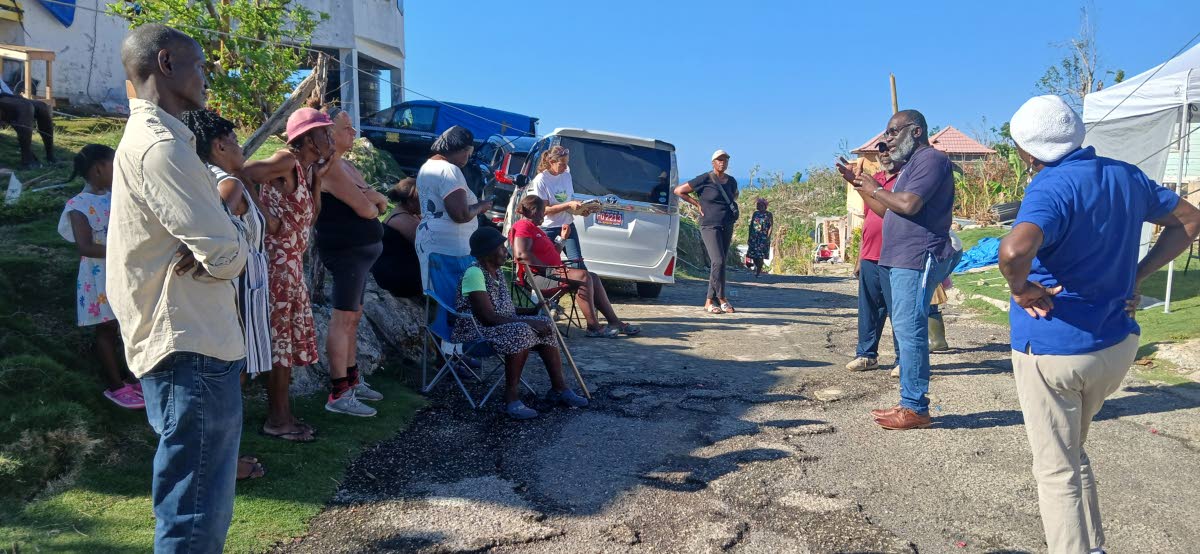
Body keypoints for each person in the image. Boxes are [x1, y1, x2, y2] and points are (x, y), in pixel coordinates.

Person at [999, 95, 1200, 554]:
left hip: (1055, 349)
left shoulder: (1049, 187)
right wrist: (1138, 274)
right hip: (1115, 345)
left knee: (1055, 469)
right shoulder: (1125, 174)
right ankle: (1092, 547)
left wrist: (1019, 288)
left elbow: (1014, 251)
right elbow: (1189, 220)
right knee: (1072, 452)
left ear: (1027, 152)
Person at [107, 24, 249, 551]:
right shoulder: (163, 149)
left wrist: (220, 235)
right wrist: (230, 231)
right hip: (190, 345)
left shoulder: (165, 142)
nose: (207, 75)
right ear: (166, 64)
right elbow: (228, 256)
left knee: (198, 503)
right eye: (199, 64)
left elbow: (215, 249)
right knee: (195, 516)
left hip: (194, 340)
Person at [837, 110, 956, 431]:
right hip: (898, 257)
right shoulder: (908, 168)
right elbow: (885, 209)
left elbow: (908, 205)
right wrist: (862, 186)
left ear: (915, 131)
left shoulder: (932, 160)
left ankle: (915, 407)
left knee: (910, 329)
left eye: (892, 132)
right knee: (905, 328)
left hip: (917, 256)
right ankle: (909, 402)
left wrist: (875, 187)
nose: (886, 140)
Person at [182, 109, 274, 482]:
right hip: (237, 289)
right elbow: (212, 235)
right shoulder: (227, 185)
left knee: (227, 378)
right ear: (219, 146)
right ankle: (224, 462)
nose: (240, 148)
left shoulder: (211, 180)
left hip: (238, 285)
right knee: (229, 378)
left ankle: (224, 456)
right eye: (234, 141)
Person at [241, 107, 336, 439]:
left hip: (291, 269)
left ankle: (279, 416)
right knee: (275, 346)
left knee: (283, 347)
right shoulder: (285, 160)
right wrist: (267, 216)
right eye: (325, 132)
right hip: (274, 268)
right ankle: (275, 420)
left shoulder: (308, 171)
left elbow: (310, 217)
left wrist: (319, 180)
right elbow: (241, 173)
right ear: (307, 138)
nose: (331, 138)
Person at [458, 226, 589, 419]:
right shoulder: (475, 273)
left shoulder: (496, 273)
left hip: (498, 326)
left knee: (545, 324)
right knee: (522, 330)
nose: (506, 251)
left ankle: (559, 389)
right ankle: (511, 399)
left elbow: (506, 311)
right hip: (475, 331)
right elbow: (487, 317)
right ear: (487, 253)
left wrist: (534, 311)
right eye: (501, 248)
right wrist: (528, 322)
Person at [312, 105, 388, 417]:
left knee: (353, 319)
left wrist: (372, 199)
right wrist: (371, 200)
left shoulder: (347, 166)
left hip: (360, 255)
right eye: (347, 128)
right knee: (343, 320)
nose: (353, 133)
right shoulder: (330, 168)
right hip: (345, 254)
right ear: (328, 132)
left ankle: (353, 380)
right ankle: (339, 393)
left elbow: (379, 199)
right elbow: (369, 207)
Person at [57, 144, 142, 409]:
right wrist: (123, 250)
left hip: (122, 271)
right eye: (112, 165)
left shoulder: (115, 196)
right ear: (97, 169)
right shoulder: (78, 205)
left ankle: (132, 376)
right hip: (99, 275)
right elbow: (85, 246)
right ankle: (115, 386)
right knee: (106, 328)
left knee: (127, 325)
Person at [511, 195, 641, 338]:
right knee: (583, 276)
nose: (545, 214)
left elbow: (553, 253)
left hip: (550, 273)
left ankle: (614, 322)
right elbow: (521, 254)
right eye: (543, 211)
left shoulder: (536, 229)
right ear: (535, 212)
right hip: (537, 277)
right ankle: (593, 327)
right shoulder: (523, 226)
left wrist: (562, 238)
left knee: (593, 277)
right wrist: (548, 269)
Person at [843, 143, 902, 373]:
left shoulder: (904, 180)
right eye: (881, 151)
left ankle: (902, 360)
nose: (885, 154)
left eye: (889, 149)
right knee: (868, 308)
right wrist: (859, 256)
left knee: (897, 309)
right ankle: (867, 355)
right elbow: (868, 221)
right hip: (870, 254)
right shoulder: (873, 179)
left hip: (894, 256)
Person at [414, 125, 494, 287]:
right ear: (463, 149)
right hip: (451, 247)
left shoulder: (427, 166)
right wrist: (481, 206)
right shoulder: (449, 170)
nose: (468, 158)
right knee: (456, 298)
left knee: (439, 295)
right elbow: (460, 215)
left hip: (431, 240)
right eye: (469, 153)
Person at [674, 149, 740, 314]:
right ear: (713, 162)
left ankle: (711, 301)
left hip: (727, 224)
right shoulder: (705, 178)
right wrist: (697, 204)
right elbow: (678, 191)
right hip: (709, 225)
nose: (722, 163)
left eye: (725, 160)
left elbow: (734, 196)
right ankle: (719, 298)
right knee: (717, 261)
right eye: (719, 160)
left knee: (721, 263)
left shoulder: (731, 181)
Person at [528, 145, 597, 268]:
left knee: (578, 265)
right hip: (548, 228)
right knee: (547, 266)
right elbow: (543, 210)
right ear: (552, 162)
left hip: (567, 225)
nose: (566, 167)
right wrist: (568, 204)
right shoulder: (541, 180)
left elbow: (568, 202)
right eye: (562, 164)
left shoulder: (566, 175)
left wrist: (581, 210)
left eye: (567, 163)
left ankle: (579, 285)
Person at [372, 177, 424, 298]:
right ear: (411, 201)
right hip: (396, 277)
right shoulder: (403, 220)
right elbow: (427, 245)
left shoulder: (409, 213)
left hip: (399, 270)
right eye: (423, 200)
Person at [0, 77, 57, 169]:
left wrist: (14, 96)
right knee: (25, 107)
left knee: (42, 106)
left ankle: (50, 155)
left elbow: (3, 88)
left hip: (5, 96)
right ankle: (27, 160)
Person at [746, 198, 773, 277]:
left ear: (764, 206)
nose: (757, 206)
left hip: (763, 237)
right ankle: (757, 267)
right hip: (754, 236)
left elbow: (771, 226)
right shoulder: (755, 213)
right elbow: (751, 225)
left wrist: (768, 237)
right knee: (753, 254)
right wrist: (749, 236)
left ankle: (758, 272)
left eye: (759, 205)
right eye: (757, 205)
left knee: (760, 255)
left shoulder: (768, 214)